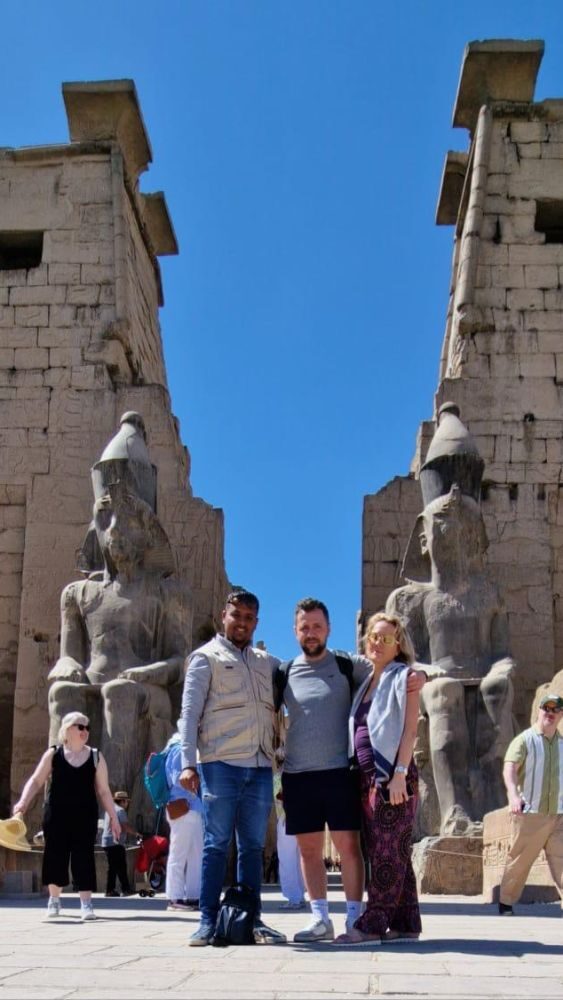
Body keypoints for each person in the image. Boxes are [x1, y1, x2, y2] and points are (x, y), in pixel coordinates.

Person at [278, 598, 425, 943]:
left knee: (372, 850)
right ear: (295, 631)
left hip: (379, 775)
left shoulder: (353, 666)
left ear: (329, 629)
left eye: (317, 626)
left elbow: (410, 718)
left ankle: (364, 923)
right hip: (335, 777)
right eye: (304, 627)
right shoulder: (286, 671)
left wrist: (420, 672)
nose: (311, 633)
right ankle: (404, 923)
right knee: (385, 848)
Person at [179, 589, 286, 946]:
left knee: (253, 847)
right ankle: (208, 921)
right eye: (236, 615)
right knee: (216, 843)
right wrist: (187, 764)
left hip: (258, 765)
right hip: (219, 763)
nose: (242, 623)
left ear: (256, 622)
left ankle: (250, 919)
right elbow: (190, 714)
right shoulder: (204, 658)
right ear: (223, 615)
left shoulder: (264, 661)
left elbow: (299, 673)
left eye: (249, 618)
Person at [336, 612, 422, 945]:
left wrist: (399, 774)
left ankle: (372, 926)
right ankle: (406, 923)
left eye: (386, 638)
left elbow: (411, 729)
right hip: (368, 779)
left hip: (392, 779)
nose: (377, 642)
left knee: (386, 853)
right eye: (373, 635)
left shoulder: (404, 676)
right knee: (393, 851)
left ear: (398, 645)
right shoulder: (368, 680)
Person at [13, 711, 121, 920]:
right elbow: (36, 780)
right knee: (55, 855)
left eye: (87, 727)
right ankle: (54, 901)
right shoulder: (53, 754)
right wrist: (23, 803)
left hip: (85, 815)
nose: (85, 731)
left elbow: (104, 791)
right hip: (56, 814)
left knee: (84, 857)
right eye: (80, 727)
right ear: (67, 729)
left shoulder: (96, 756)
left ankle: (86, 904)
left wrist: (114, 818)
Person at [497, 692, 563, 914]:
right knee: (519, 862)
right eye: (547, 708)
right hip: (530, 813)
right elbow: (510, 768)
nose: (550, 714)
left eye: (556, 710)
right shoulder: (525, 739)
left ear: (561, 715)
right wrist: (513, 796)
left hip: (559, 814)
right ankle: (506, 903)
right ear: (539, 710)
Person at [164, 732, 203, 911]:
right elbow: (177, 780)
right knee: (179, 854)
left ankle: (194, 896)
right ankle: (175, 897)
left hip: (193, 808)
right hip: (183, 806)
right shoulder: (179, 750)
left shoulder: (184, 749)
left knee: (196, 854)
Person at [102, 790, 138, 897]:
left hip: (107, 842)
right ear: (122, 801)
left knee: (115, 867)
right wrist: (136, 834)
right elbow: (125, 826)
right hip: (115, 842)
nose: (127, 804)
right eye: (126, 802)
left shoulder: (110, 809)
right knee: (119, 866)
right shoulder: (120, 810)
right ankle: (117, 890)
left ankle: (120, 889)